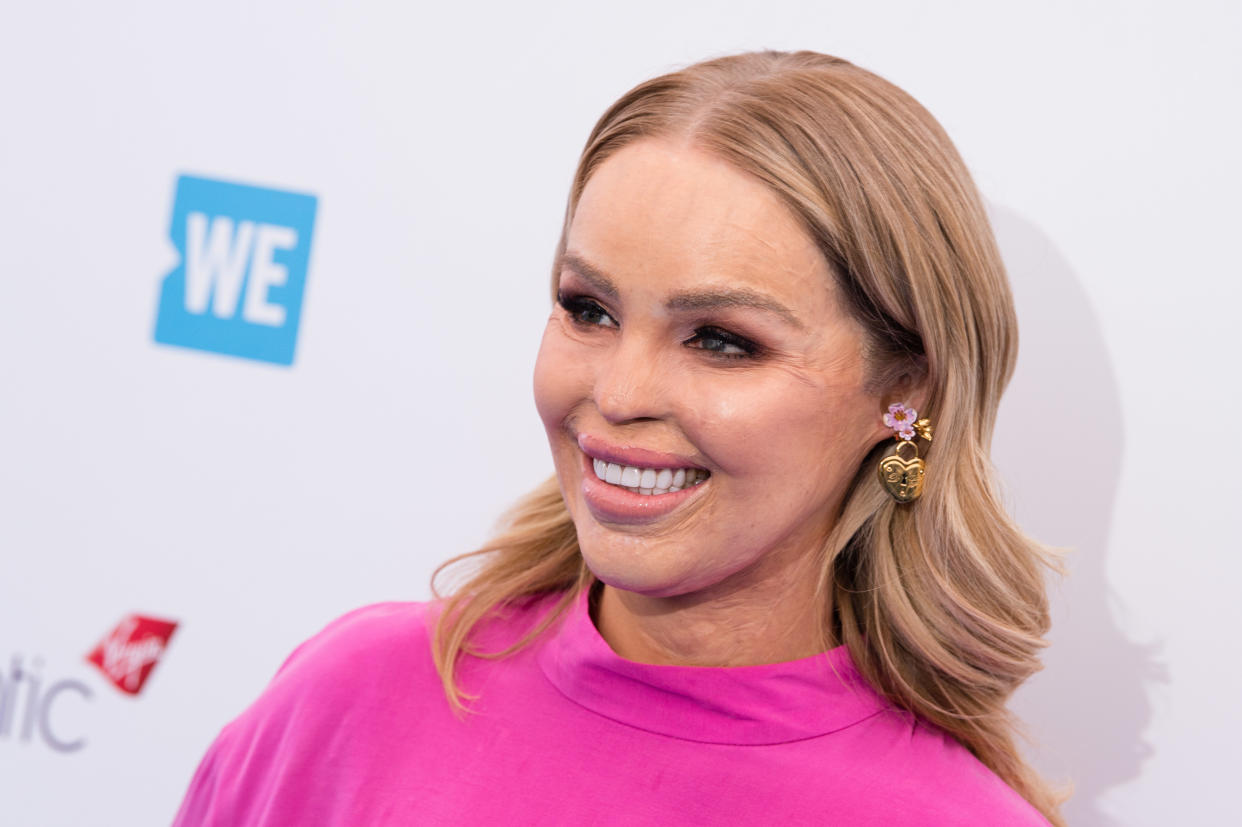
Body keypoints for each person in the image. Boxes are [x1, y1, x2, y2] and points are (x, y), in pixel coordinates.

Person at [172, 51, 1064, 825]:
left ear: (903, 391)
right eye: (587, 309)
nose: (618, 391)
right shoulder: (353, 700)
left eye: (721, 339)